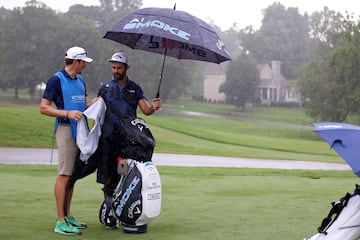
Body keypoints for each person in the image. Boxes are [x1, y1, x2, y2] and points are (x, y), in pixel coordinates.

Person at [40, 46, 94, 236]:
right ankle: (60, 221)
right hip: (65, 130)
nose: (84, 67)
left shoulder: (80, 80)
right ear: (77, 61)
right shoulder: (56, 80)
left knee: (72, 176)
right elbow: (44, 108)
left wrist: (96, 103)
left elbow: (83, 105)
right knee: (64, 175)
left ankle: (67, 215)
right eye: (83, 63)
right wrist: (67, 113)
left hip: (81, 132)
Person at [97, 51, 161, 197]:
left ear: (127, 67)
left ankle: (122, 207)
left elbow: (146, 110)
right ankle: (109, 209)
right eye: (113, 68)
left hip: (128, 140)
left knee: (125, 174)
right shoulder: (105, 88)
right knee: (108, 176)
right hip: (108, 138)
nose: (115, 71)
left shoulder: (135, 88)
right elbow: (97, 113)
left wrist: (153, 107)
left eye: (119, 68)